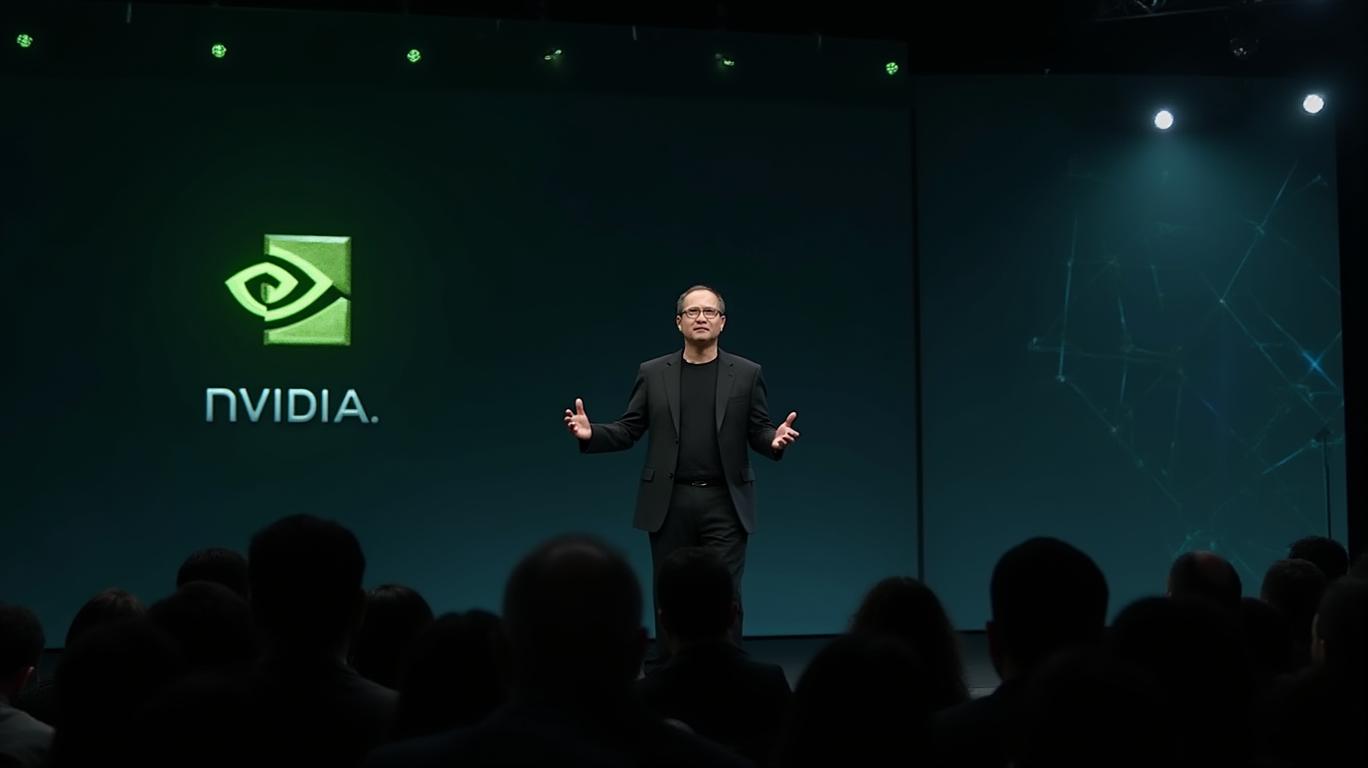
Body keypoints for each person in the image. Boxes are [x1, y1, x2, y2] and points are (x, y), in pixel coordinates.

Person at [564, 284, 798, 646]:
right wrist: (591, 433)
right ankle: (667, 669)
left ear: (722, 322)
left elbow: (758, 429)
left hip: (726, 501)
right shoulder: (653, 372)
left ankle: (726, 667)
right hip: (669, 501)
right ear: (678, 322)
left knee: (724, 594)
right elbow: (630, 429)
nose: (701, 318)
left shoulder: (747, 373)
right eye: (692, 312)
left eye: (709, 312)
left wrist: (773, 439)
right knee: (671, 593)